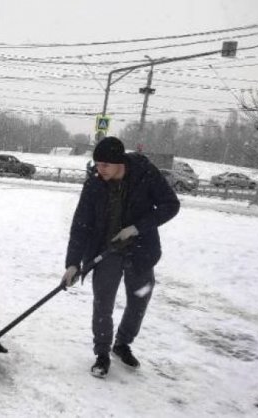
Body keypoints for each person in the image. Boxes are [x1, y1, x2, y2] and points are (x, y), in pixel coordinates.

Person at [62, 137, 180, 378]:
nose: (99, 169)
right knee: (103, 304)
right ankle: (102, 353)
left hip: (141, 250)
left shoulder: (144, 174)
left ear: (119, 163)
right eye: (96, 164)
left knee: (138, 302)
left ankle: (122, 344)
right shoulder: (94, 184)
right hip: (106, 252)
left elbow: (171, 205)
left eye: (104, 165)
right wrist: (73, 264)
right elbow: (80, 225)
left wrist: (137, 227)